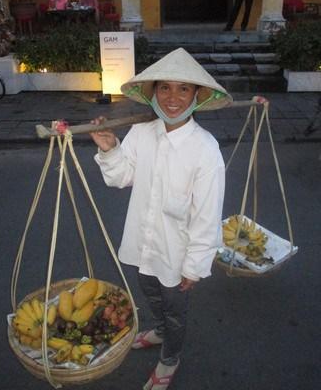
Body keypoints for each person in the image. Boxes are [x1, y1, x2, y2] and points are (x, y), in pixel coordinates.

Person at [89, 48, 233, 390]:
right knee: (149, 291)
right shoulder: (142, 134)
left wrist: (195, 265)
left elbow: (207, 214)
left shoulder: (205, 149)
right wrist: (109, 148)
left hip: (176, 253)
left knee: (175, 310)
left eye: (183, 89)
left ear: (197, 95)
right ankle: (158, 330)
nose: (172, 97)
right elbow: (121, 176)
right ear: (152, 92)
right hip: (143, 243)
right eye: (164, 88)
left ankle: (170, 357)